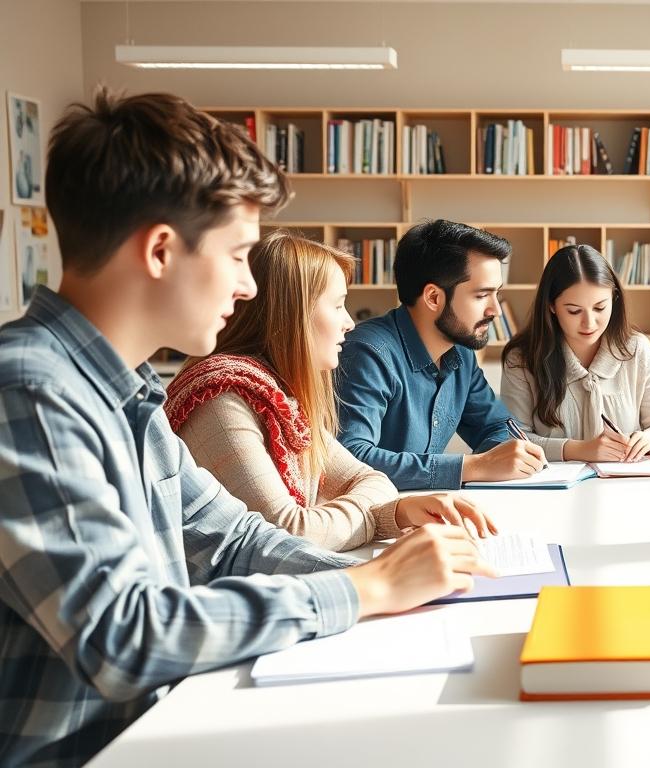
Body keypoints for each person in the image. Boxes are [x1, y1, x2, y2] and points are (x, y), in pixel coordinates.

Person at [0, 89, 493, 766]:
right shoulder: (30, 392)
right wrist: (363, 588)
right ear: (161, 251)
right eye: (237, 255)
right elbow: (122, 636)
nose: (249, 287)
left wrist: (391, 575)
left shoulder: (129, 393)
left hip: (157, 728)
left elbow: (232, 539)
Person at [166, 231, 497, 552]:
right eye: (338, 306)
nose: (350, 323)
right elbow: (290, 534)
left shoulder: (280, 397)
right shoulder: (223, 401)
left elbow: (372, 479)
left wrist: (398, 512)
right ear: (293, 314)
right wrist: (376, 515)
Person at [335, 220, 546, 490]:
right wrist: (474, 466)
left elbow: (497, 427)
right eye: (482, 295)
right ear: (433, 298)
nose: (496, 310)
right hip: (371, 512)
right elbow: (351, 459)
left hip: (429, 507)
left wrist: (509, 455)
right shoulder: (367, 353)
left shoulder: (460, 353)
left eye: (497, 293)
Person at [500, 244, 650, 462]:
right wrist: (579, 450)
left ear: (614, 298)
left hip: (623, 479)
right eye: (574, 311)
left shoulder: (636, 349)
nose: (589, 323)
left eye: (600, 308)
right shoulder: (521, 359)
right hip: (552, 482)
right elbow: (513, 440)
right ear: (551, 306)